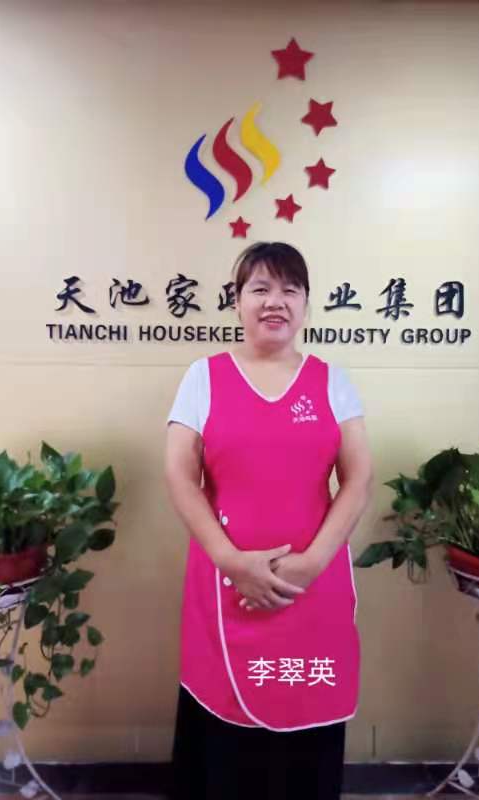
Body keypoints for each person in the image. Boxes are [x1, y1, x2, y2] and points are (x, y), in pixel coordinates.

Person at [164, 241, 373, 800]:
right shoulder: (203, 377)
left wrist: (311, 564)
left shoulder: (332, 380)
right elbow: (180, 476)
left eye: (289, 290)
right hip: (225, 584)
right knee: (225, 731)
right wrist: (232, 561)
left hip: (315, 585)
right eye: (260, 288)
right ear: (237, 302)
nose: (274, 301)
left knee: (308, 708)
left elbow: (357, 479)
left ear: (306, 304)